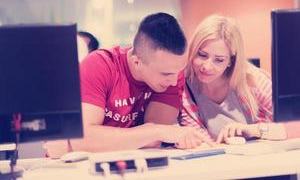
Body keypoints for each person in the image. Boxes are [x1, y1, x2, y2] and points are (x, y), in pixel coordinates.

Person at [44, 12, 212, 158]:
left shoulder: (171, 69)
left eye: (179, 70)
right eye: (166, 74)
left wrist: (73, 145)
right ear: (136, 61)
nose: (174, 81)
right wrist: (155, 132)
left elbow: (153, 141)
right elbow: (84, 138)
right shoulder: (100, 65)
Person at [179, 14, 275, 143]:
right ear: (192, 50)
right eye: (202, 55)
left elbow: (295, 125)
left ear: (231, 60)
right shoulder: (184, 88)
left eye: (219, 60)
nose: (206, 67)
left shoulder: (253, 80)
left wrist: (252, 130)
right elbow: (201, 142)